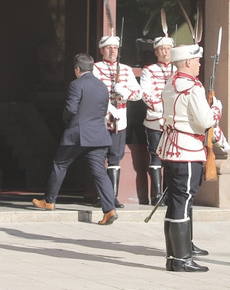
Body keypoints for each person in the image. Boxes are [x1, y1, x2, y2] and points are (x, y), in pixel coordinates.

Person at [32, 53, 120, 225]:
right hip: (98, 135)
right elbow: (102, 110)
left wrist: (65, 119)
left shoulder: (76, 84)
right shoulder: (102, 86)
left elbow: (71, 108)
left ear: (77, 69)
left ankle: (49, 201)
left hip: (78, 134)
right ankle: (109, 209)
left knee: (60, 164)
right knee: (100, 172)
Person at [156, 44, 215, 272]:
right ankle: (182, 259)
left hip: (171, 148)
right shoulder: (192, 87)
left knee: (175, 203)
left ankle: (174, 257)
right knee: (183, 202)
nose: (200, 63)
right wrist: (215, 111)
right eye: (197, 60)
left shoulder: (170, 83)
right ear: (188, 62)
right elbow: (204, 120)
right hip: (187, 149)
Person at [92, 35, 142, 208]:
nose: (113, 50)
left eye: (115, 47)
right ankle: (100, 196)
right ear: (101, 50)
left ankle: (112, 197)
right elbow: (92, 93)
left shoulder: (126, 70)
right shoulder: (95, 69)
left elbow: (138, 94)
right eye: (108, 47)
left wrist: (125, 92)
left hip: (119, 121)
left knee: (115, 159)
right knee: (97, 159)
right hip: (99, 119)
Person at [139, 35, 174, 205]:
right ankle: (157, 195)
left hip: (174, 121)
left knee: (171, 158)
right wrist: (161, 107)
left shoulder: (178, 69)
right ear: (156, 52)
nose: (165, 52)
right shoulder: (149, 70)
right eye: (162, 49)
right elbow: (146, 93)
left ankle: (169, 193)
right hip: (156, 119)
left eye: (167, 48)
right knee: (156, 156)